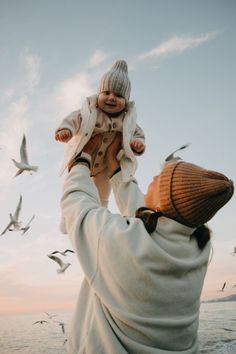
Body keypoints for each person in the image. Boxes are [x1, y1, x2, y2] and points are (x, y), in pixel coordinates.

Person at [61, 134, 234, 354]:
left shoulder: (122, 240)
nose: (153, 175)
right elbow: (155, 213)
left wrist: (82, 158)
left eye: (160, 177)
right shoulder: (199, 248)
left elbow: (76, 207)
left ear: (163, 201)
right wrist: (116, 170)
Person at [55, 59, 145, 211]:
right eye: (106, 93)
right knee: (76, 186)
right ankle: (67, 214)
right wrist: (66, 130)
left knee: (102, 193)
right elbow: (74, 119)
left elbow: (137, 133)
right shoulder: (90, 112)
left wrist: (137, 144)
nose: (111, 98)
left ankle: (101, 210)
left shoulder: (127, 120)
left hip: (105, 167)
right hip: (83, 157)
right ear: (98, 94)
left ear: (126, 101)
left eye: (118, 95)